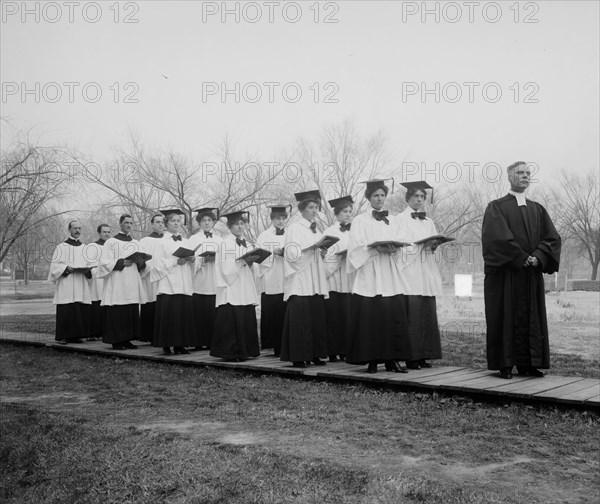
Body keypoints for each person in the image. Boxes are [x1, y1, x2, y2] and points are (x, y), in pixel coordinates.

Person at [482, 161, 561, 379]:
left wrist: (539, 256)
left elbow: (552, 239)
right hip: (507, 276)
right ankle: (504, 364)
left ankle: (529, 363)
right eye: (520, 173)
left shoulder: (537, 209)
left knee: (531, 317)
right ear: (509, 177)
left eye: (528, 173)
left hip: (530, 276)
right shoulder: (496, 207)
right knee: (505, 316)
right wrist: (520, 257)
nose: (525, 176)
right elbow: (495, 239)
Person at [346, 179, 411, 374]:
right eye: (376, 196)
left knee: (392, 317)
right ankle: (372, 360)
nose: (380, 199)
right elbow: (355, 249)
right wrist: (375, 249)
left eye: (382, 195)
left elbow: (402, 242)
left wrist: (394, 248)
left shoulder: (393, 219)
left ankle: (392, 360)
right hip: (370, 273)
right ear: (368, 198)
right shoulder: (359, 221)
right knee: (372, 318)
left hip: (389, 272)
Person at [281, 190, 329, 368]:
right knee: (301, 318)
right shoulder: (294, 228)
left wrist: (322, 251)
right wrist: (310, 249)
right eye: (311, 207)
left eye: (316, 207)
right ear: (302, 209)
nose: (314, 211)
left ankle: (315, 353)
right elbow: (291, 253)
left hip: (314, 277)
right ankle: (299, 355)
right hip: (301, 278)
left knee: (315, 316)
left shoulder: (316, 229)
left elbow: (317, 252)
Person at [397, 181, 443, 370]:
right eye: (415, 196)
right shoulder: (400, 219)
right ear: (407, 198)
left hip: (425, 271)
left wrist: (433, 245)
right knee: (413, 316)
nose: (419, 199)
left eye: (422, 197)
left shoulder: (428, 221)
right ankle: (411, 357)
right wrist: (418, 246)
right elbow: (399, 247)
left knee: (426, 313)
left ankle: (425, 354)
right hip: (410, 272)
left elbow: (431, 247)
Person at [211, 210, 260, 361]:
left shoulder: (248, 243)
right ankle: (230, 351)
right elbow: (225, 269)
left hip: (245, 283)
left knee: (245, 314)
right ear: (230, 226)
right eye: (236, 224)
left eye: (242, 223)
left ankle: (246, 350)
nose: (240, 226)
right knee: (232, 317)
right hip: (232, 286)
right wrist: (243, 261)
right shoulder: (225, 243)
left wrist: (251, 263)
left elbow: (253, 268)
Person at [150, 209, 197, 355]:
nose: (176, 223)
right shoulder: (162, 243)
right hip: (169, 284)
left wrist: (193, 259)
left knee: (182, 314)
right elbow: (156, 265)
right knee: (170, 314)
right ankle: (167, 345)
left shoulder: (187, 241)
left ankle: (180, 344)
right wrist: (175, 262)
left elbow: (194, 262)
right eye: (173, 221)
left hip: (183, 282)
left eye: (178, 220)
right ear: (166, 223)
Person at [97, 214, 147, 350]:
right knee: (118, 310)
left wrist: (142, 263)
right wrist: (120, 262)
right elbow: (103, 263)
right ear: (120, 223)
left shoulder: (136, 243)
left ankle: (127, 339)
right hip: (118, 280)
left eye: (131, 223)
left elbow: (143, 266)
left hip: (132, 280)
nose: (129, 225)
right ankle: (116, 340)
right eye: (126, 223)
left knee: (130, 310)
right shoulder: (111, 242)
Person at [48, 220, 93, 344]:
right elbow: (54, 266)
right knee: (66, 307)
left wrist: (87, 270)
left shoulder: (85, 248)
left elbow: (91, 266)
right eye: (75, 228)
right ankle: (63, 336)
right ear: (69, 229)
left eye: (79, 228)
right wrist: (65, 268)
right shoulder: (61, 247)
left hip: (80, 282)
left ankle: (76, 336)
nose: (77, 230)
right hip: (66, 282)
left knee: (79, 308)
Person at [323, 196, 356, 362]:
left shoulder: (356, 231)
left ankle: (346, 349)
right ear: (337, 214)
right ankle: (332, 350)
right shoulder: (330, 232)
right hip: (334, 279)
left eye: (350, 211)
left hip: (350, 279)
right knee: (334, 317)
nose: (348, 214)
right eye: (345, 211)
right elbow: (325, 258)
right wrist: (339, 258)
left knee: (347, 316)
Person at [256, 204, 289, 356]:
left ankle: (286, 344)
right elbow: (258, 257)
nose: (281, 221)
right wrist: (272, 253)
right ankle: (274, 344)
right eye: (277, 218)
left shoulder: (290, 234)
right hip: (271, 277)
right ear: (272, 219)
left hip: (286, 276)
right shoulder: (264, 236)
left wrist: (286, 254)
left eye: (283, 218)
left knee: (285, 311)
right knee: (273, 311)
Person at [187, 207, 223, 351]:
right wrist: (202, 260)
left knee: (212, 312)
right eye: (203, 220)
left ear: (214, 222)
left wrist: (217, 258)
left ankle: (211, 341)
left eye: (209, 220)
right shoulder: (194, 239)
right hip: (201, 278)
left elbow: (225, 258)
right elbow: (191, 258)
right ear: (199, 223)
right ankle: (198, 341)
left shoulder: (220, 239)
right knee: (200, 311)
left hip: (214, 278)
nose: (207, 223)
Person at [139, 214, 165, 343]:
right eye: (158, 222)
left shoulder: (168, 239)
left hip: (165, 276)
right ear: (152, 224)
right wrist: (150, 266)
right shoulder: (145, 241)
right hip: (151, 275)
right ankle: (149, 335)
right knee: (151, 301)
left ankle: (162, 334)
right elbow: (142, 259)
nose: (160, 224)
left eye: (162, 222)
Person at [84, 223, 111, 341]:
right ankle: (93, 332)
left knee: (107, 307)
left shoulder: (112, 246)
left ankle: (106, 331)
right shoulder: (92, 247)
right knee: (96, 307)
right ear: (99, 233)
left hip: (109, 279)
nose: (107, 234)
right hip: (97, 280)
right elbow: (89, 264)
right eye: (104, 232)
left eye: (108, 232)